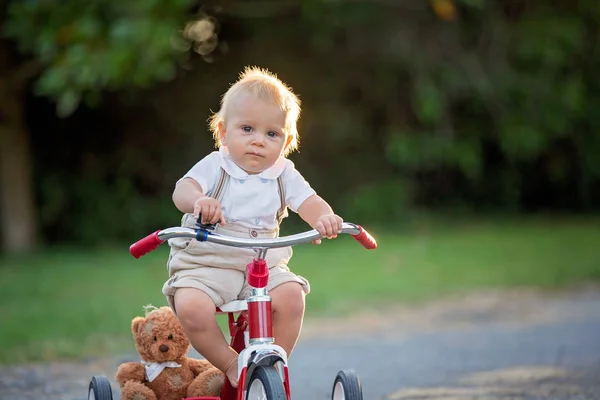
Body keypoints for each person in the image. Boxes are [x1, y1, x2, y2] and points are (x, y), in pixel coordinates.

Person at [162, 66, 343, 388]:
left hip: (263, 265)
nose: (259, 141)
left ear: (286, 141)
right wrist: (199, 200)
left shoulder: (283, 172)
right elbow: (182, 190)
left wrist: (324, 217)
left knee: (292, 296)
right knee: (191, 306)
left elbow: (310, 201)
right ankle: (233, 365)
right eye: (247, 129)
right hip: (208, 264)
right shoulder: (216, 165)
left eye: (272, 134)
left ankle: (273, 365)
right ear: (223, 132)